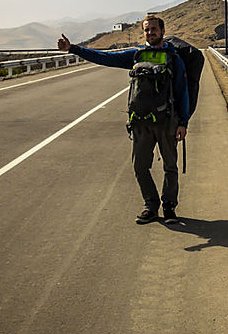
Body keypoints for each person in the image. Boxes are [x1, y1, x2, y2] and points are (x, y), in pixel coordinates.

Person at [57, 15, 190, 225]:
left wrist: (183, 122)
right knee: (140, 167)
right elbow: (104, 58)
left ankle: (169, 207)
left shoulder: (174, 58)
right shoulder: (136, 55)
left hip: (167, 121)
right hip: (141, 122)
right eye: (147, 29)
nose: (150, 33)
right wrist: (73, 48)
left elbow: (183, 92)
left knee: (170, 167)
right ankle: (151, 205)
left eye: (154, 29)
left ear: (163, 31)